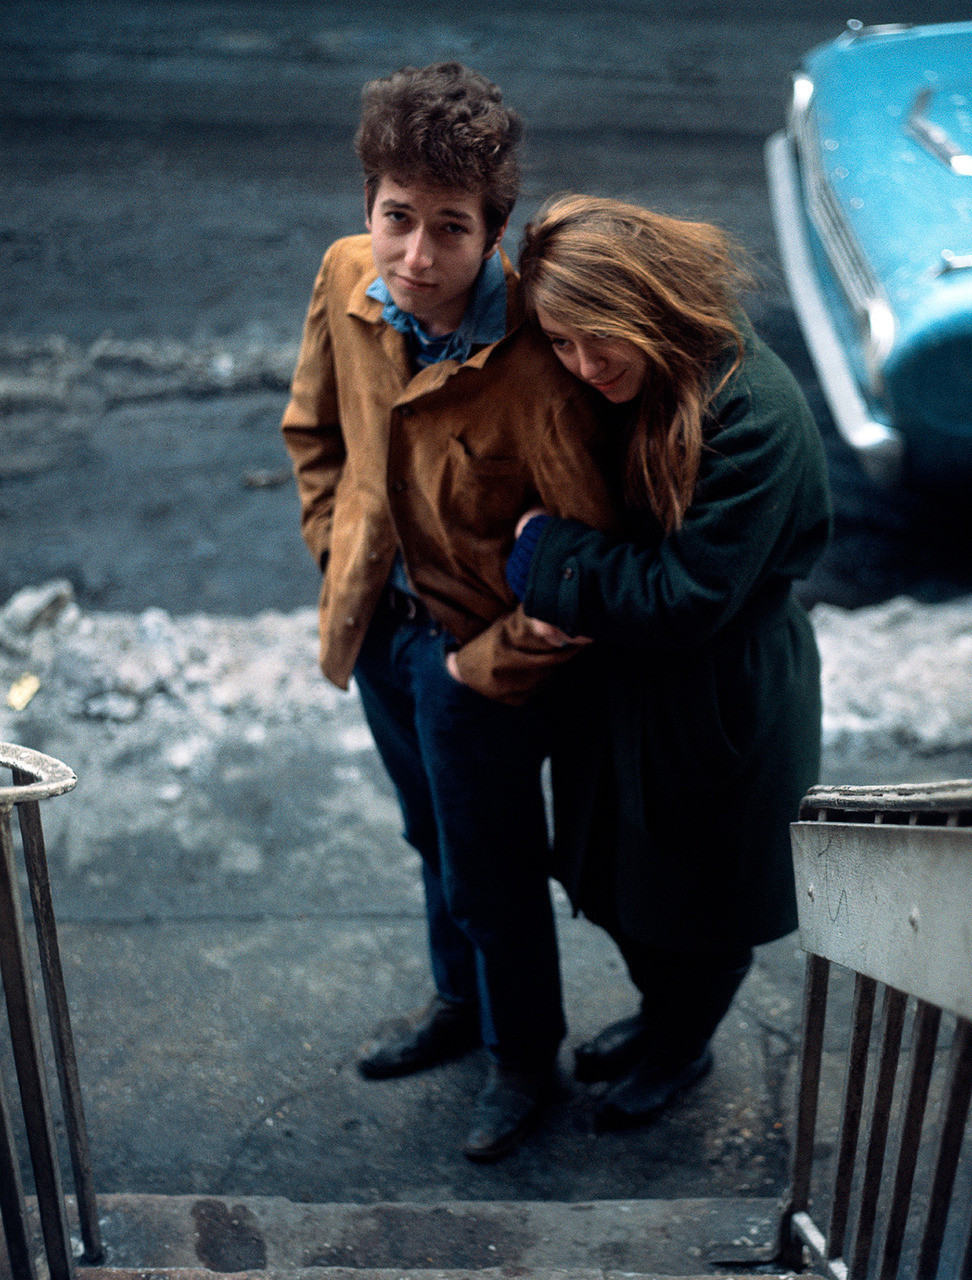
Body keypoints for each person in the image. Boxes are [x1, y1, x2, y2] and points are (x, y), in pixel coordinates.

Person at [280, 66, 616, 1162]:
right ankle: (458, 1005)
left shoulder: (536, 363)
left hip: (477, 665)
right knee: (427, 832)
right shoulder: (344, 278)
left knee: (492, 865)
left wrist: (486, 662)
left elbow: (582, 564)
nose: (415, 258)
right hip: (380, 627)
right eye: (395, 219)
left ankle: (525, 1059)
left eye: (449, 230)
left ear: (495, 233)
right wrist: (340, 549)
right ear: (368, 208)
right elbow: (312, 432)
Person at [506, 195, 833, 1130]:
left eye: (594, 340)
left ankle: (681, 1047)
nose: (582, 366)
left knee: (699, 907)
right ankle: (661, 1019)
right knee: (618, 883)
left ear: (644, 304)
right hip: (633, 691)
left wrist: (542, 557)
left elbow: (684, 597)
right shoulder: (643, 375)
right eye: (561, 345)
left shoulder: (751, 415)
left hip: (718, 699)